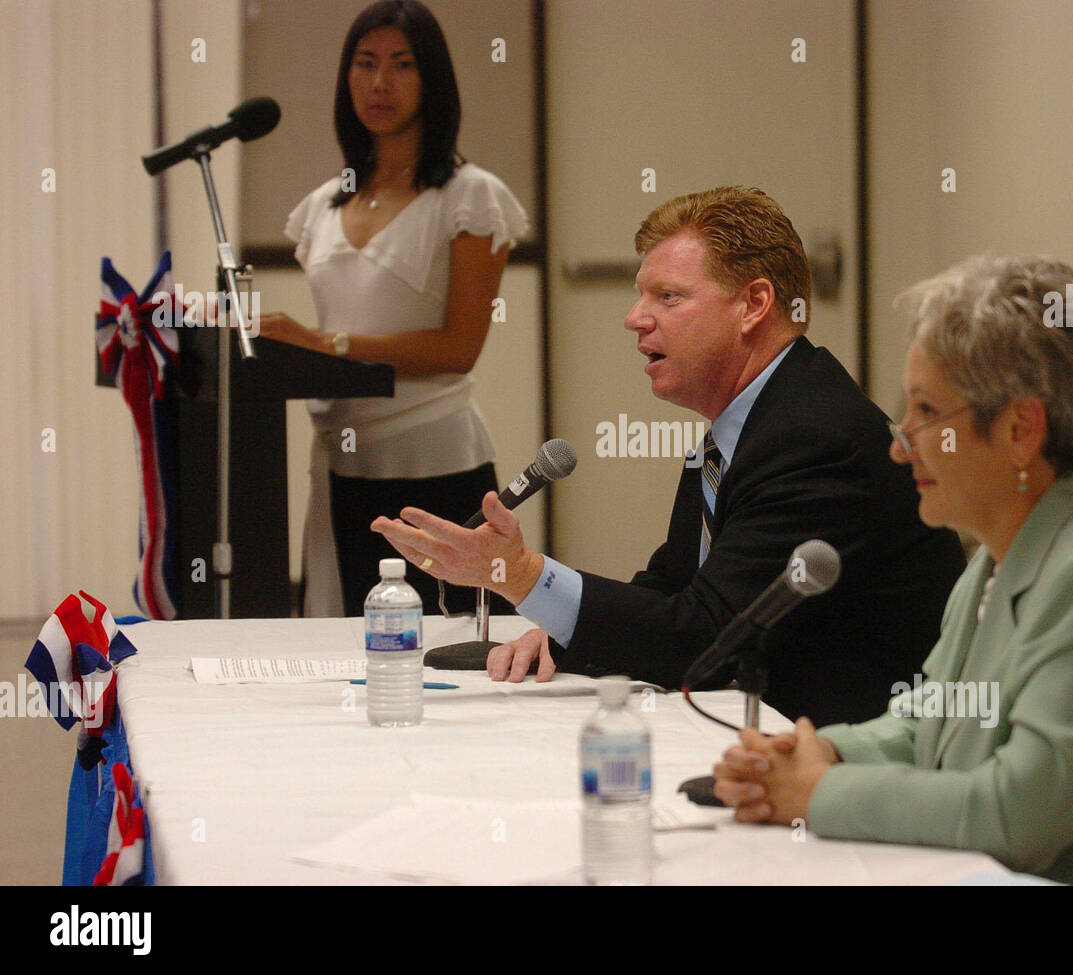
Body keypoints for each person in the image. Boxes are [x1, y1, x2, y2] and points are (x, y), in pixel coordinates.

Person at [712, 255, 1073, 884]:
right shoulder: (1004, 557)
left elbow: (1015, 814)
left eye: (925, 412)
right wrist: (819, 753)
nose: (899, 442)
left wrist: (816, 795)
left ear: (1021, 430)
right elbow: (933, 719)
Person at [372, 186, 967, 725]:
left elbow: (706, 639)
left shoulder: (815, 438)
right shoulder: (746, 421)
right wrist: (562, 633)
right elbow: (673, 587)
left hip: (851, 760)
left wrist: (525, 575)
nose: (635, 318)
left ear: (754, 304)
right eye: (641, 296)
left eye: (669, 297)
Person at [256, 0, 528, 617]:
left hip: (433, 459)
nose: (380, 83)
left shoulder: (470, 197)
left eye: (403, 65)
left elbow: (459, 347)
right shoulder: (324, 204)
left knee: (453, 651)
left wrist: (328, 344)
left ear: (433, 80)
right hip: (342, 465)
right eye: (365, 63)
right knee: (348, 650)